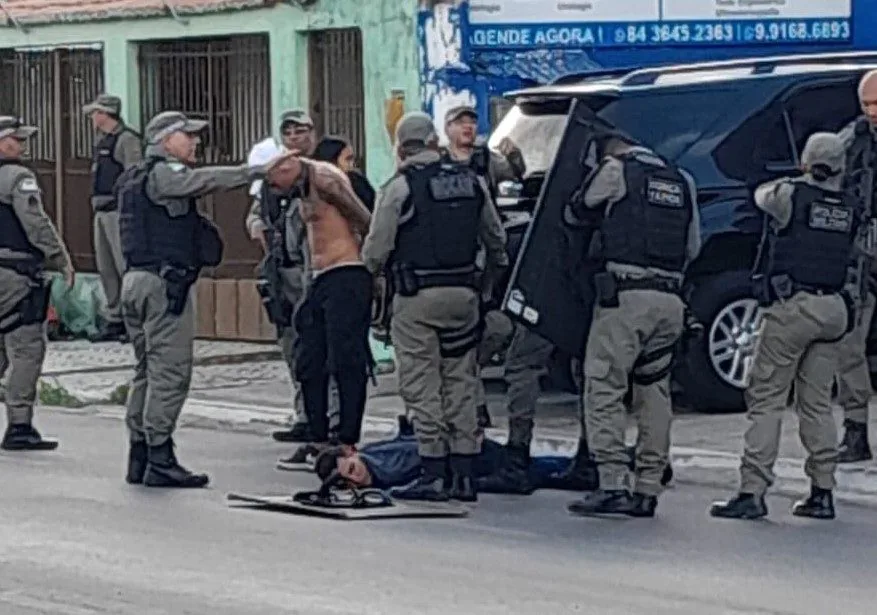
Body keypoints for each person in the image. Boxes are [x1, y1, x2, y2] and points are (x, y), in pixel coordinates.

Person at [117, 110, 279, 488]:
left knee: (146, 371)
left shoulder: (134, 177)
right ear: (164, 140)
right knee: (170, 373)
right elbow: (204, 180)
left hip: (137, 281)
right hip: (162, 286)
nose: (195, 141)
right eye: (186, 135)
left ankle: (140, 453)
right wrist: (252, 171)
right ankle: (159, 456)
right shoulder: (163, 173)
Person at [362, 111, 508, 502]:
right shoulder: (472, 181)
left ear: (400, 148)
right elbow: (497, 242)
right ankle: (465, 473)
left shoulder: (400, 187)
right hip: (465, 297)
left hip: (418, 301)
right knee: (461, 381)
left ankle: (433, 471)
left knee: (422, 384)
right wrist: (486, 287)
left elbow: (375, 252)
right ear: (432, 142)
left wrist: (377, 283)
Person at [710, 133, 857, 521]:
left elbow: (761, 196)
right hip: (834, 309)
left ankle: (752, 491)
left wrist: (796, 177)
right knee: (817, 404)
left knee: (766, 399)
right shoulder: (850, 206)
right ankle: (822, 492)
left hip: (796, 308)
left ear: (808, 163)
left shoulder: (791, 195)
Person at [565, 133, 700, 518]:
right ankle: (648, 487)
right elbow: (692, 248)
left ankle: (611, 483)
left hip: (625, 299)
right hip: (670, 300)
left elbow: (577, 210)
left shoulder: (616, 170)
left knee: (604, 386)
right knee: (654, 393)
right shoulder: (682, 180)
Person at [246, 111, 338, 447]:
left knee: (321, 349)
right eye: (289, 132)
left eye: (302, 131)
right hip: (282, 274)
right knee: (291, 347)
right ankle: (303, 415)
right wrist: (260, 231)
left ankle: (328, 418)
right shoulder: (272, 183)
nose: (296, 138)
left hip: (314, 271)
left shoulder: (323, 174)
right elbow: (254, 217)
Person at [278, 143, 373, 461]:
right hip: (319, 277)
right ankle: (317, 436)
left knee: (345, 359)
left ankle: (346, 438)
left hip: (346, 272)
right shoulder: (301, 187)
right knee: (309, 359)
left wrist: (373, 270)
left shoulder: (325, 178)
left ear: (288, 165)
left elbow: (364, 219)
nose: (273, 187)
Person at [442, 105, 525, 429]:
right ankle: (471, 403)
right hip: (454, 258)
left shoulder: (488, 160)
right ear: (447, 129)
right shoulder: (440, 164)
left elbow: (517, 179)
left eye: (471, 122)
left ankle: (471, 395)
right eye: (460, 122)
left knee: (489, 327)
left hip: (486, 257)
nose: (467, 127)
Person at [0, 116, 76, 450]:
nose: (23, 145)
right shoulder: (18, 177)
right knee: (26, 347)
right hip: (14, 273)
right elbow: (35, 222)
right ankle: (19, 426)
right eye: (17, 139)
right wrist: (60, 258)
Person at [313, 433, 673, 493]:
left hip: (475, 458)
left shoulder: (382, 462)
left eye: (351, 470)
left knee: (546, 469)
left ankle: (631, 461)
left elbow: (415, 454)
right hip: (470, 456)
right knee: (545, 468)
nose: (358, 478)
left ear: (350, 454)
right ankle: (631, 461)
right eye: (350, 481)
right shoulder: (375, 463)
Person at [833, 70, 877, 464]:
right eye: (867, 105)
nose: (873, 113)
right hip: (862, 254)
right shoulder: (852, 141)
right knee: (849, 345)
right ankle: (856, 428)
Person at [83, 93, 143, 342]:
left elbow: (134, 175)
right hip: (101, 211)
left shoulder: (126, 140)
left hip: (118, 212)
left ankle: (133, 323)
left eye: (95, 113)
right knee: (106, 267)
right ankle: (114, 317)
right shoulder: (102, 140)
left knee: (123, 265)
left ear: (105, 114)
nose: (92, 118)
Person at [312, 135, 377, 211]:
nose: (352, 164)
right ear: (331, 163)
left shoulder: (358, 183)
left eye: (352, 159)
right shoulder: (311, 189)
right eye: (348, 159)